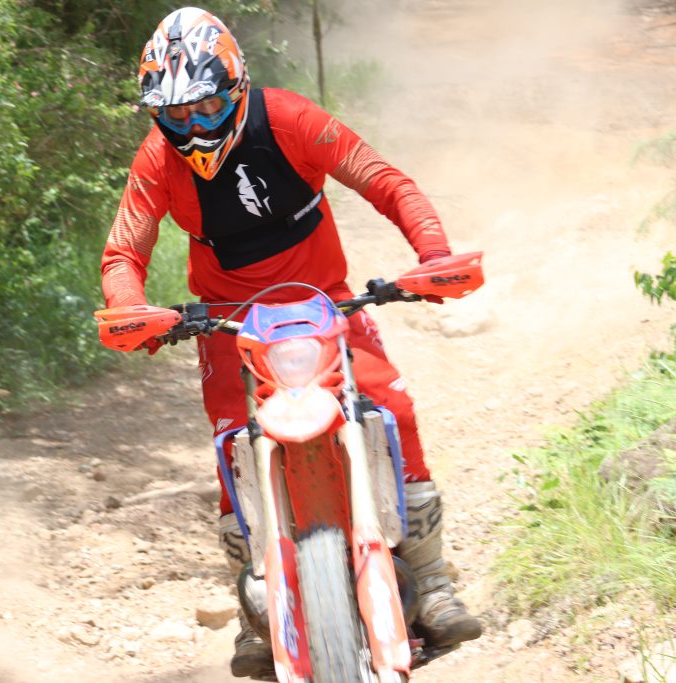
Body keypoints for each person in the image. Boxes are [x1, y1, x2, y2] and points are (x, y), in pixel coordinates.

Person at [99, 6, 482, 678]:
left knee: (395, 411)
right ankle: (253, 604)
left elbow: (388, 183)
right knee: (232, 444)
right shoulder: (159, 157)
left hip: (327, 305)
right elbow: (122, 251)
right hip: (228, 322)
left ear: (238, 88)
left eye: (206, 106)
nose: (192, 126)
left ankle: (435, 579)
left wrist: (432, 255)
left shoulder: (293, 119)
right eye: (175, 115)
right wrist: (132, 312)